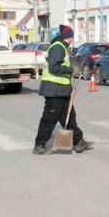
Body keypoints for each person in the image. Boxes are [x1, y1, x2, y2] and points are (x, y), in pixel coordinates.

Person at [33, 25, 91, 155]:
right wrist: (71, 70)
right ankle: (39, 145)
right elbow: (54, 67)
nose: (72, 40)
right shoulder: (58, 47)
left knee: (69, 116)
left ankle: (78, 141)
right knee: (49, 118)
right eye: (71, 37)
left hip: (61, 90)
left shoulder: (61, 47)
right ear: (68, 37)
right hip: (54, 90)